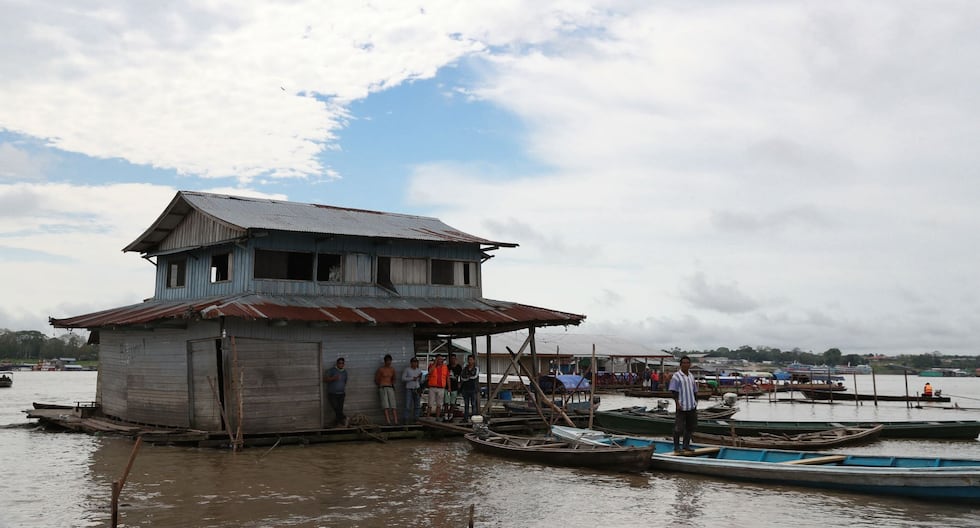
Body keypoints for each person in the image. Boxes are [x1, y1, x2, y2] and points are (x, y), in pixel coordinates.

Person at [669, 356, 698, 454]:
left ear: (690, 364)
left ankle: (686, 445)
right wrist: (677, 403)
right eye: (684, 363)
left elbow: (695, 391)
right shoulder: (676, 376)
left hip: (691, 405)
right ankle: (676, 447)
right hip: (681, 406)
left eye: (687, 363)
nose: (686, 364)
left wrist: (696, 402)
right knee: (679, 428)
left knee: (690, 427)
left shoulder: (691, 376)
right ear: (680, 365)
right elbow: (674, 391)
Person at [324, 357, 348, 427]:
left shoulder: (345, 372)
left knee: (339, 409)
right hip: (332, 394)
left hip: (341, 394)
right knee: (336, 408)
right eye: (339, 363)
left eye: (342, 363)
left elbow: (345, 381)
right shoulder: (332, 370)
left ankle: (337, 423)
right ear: (337, 363)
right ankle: (344, 418)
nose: (341, 364)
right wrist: (333, 378)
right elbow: (325, 379)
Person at [375, 354, 398, 425]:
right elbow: (377, 379)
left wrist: (391, 384)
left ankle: (396, 421)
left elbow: (394, 378)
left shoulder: (392, 369)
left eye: (390, 361)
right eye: (387, 361)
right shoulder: (381, 369)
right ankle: (388, 421)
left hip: (390, 387)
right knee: (385, 405)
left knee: (393, 405)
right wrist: (381, 385)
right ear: (385, 361)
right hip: (383, 387)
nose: (389, 362)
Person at [402, 357, 423, 424]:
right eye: (413, 362)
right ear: (411, 363)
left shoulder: (419, 370)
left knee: (417, 405)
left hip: (417, 388)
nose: (415, 363)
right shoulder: (407, 370)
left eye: (416, 362)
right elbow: (403, 378)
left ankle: (416, 418)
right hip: (409, 389)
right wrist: (412, 378)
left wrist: (421, 378)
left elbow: (421, 381)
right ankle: (406, 419)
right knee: (407, 405)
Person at [460, 355, 480, 421]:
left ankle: (473, 418)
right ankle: (465, 418)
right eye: (469, 360)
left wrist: (468, 377)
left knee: (473, 404)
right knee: (466, 404)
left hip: (473, 389)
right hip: (465, 389)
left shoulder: (476, 368)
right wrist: (468, 377)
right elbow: (462, 377)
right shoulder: (465, 368)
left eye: (471, 360)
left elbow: (475, 376)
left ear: (474, 360)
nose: (470, 361)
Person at [445, 353, 462, 421]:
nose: (453, 360)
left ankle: (451, 415)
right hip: (447, 387)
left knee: (452, 402)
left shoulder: (459, 367)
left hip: (455, 387)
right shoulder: (447, 367)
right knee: (446, 402)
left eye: (454, 359)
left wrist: (460, 384)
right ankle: (446, 415)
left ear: (456, 359)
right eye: (451, 359)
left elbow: (461, 377)